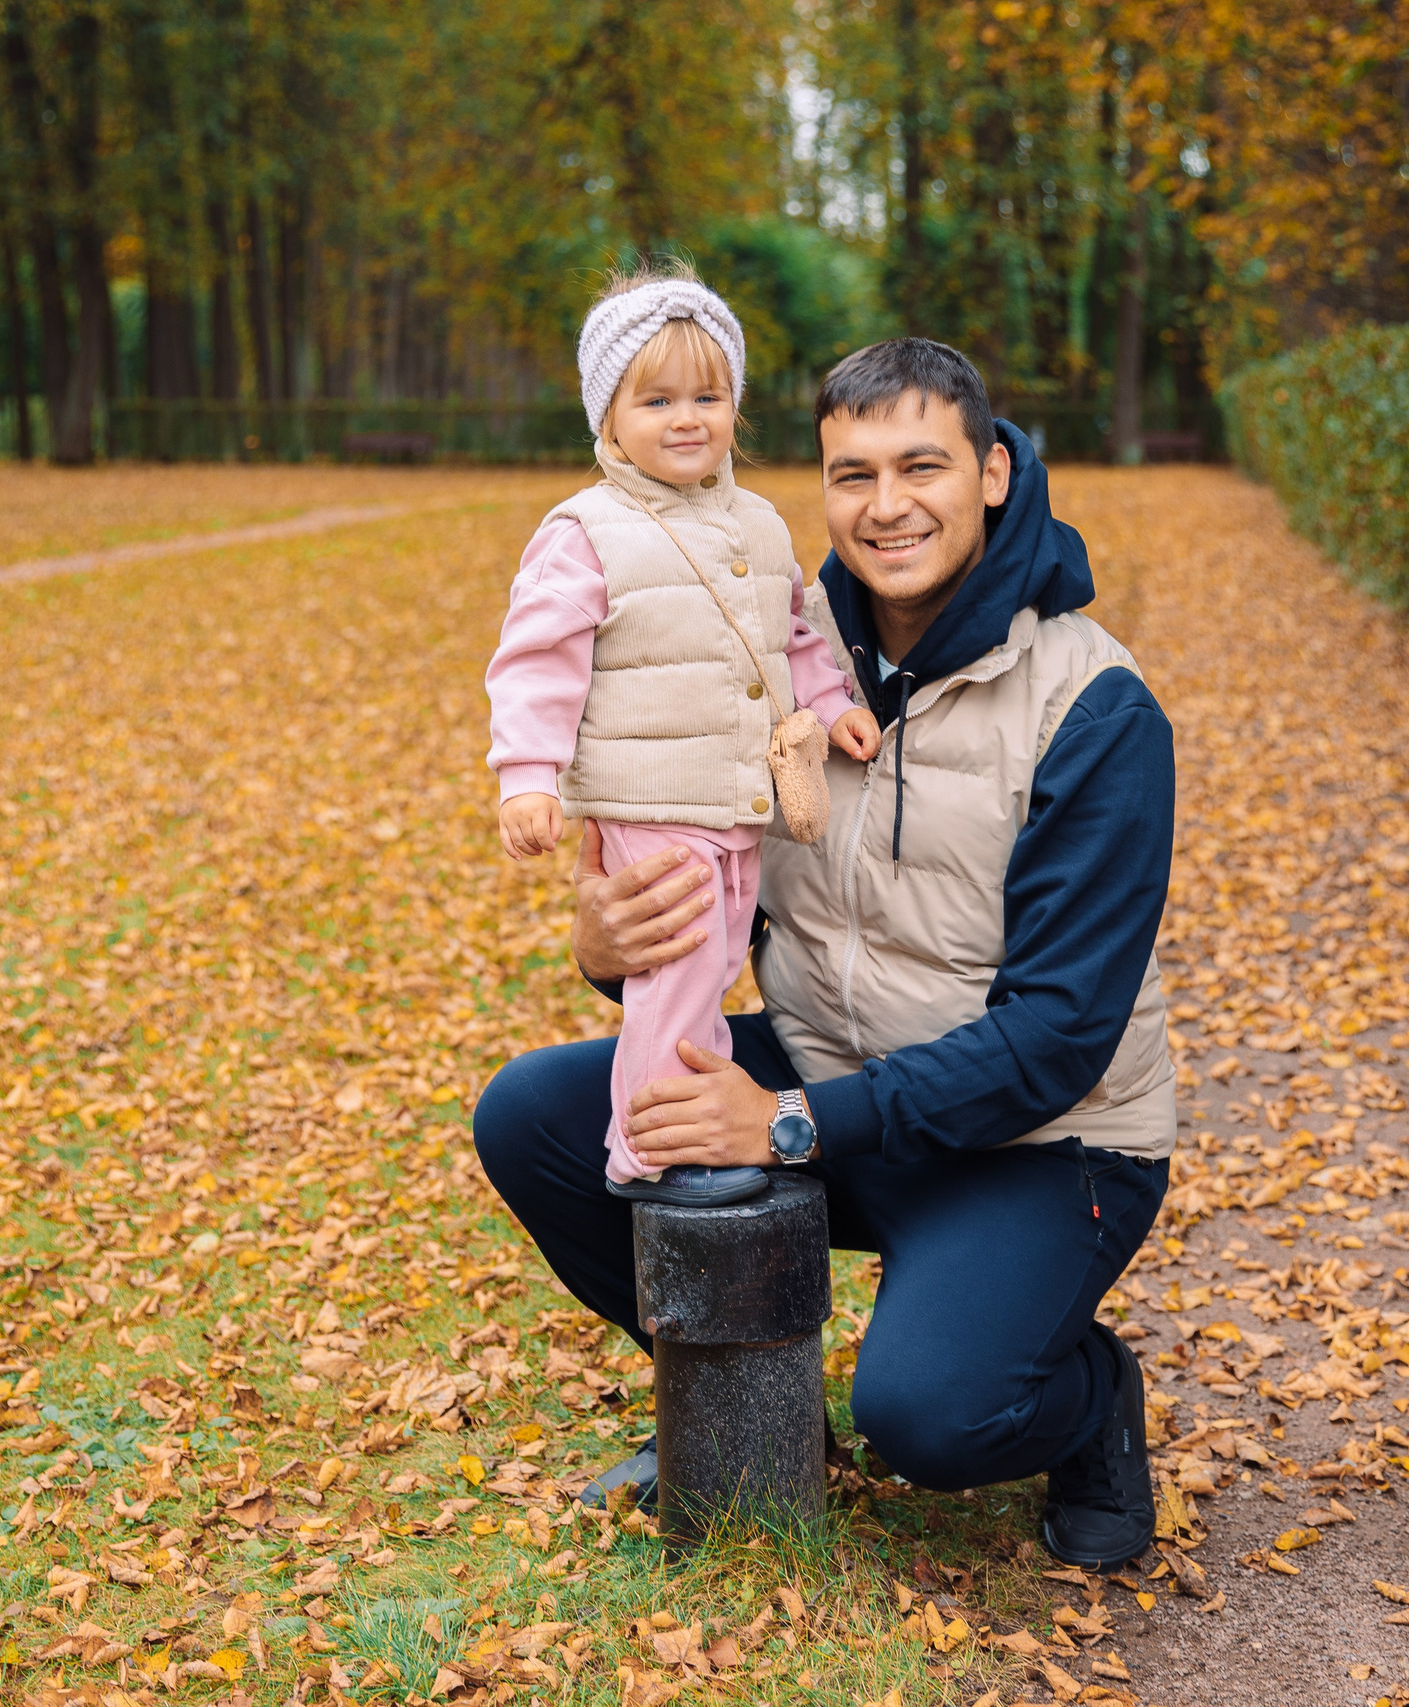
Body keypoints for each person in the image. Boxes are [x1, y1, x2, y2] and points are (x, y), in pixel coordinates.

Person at [474, 337, 1179, 1568]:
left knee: (933, 1420)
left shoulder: (1094, 707)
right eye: (851, 475)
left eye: (922, 466)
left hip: (1040, 1145)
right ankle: (751, 1415)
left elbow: (1058, 1039)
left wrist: (790, 1123)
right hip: (829, 1071)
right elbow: (716, 904)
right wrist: (606, 938)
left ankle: (1085, 1399)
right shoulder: (768, 652)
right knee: (535, 1116)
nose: (886, 505)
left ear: (994, 472)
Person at [484, 262, 881, 1208]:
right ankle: (650, 1148)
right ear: (608, 417)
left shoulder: (758, 523)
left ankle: (695, 1122)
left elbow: (794, 634)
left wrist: (832, 707)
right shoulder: (587, 531)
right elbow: (538, 660)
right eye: (656, 399)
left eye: (709, 395)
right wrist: (528, 774)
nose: (688, 417)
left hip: (735, 802)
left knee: (707, 971)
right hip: (651, 798)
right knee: (671, 969)